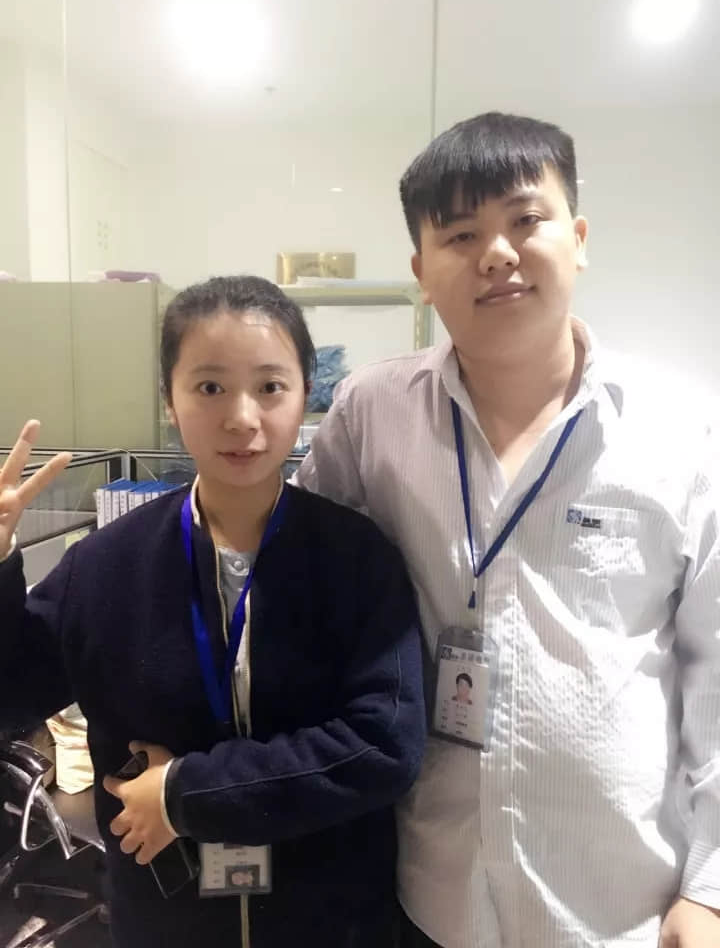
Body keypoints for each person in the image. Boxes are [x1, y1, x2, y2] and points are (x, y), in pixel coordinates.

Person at [294, 112, 720, 947]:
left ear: (578, 238)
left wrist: (711, 888)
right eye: (460, 234)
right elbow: (296, 587)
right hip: (428, 895)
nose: (496, 253)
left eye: (526, 219)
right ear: (421, 272)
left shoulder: (684, 432)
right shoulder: (370, 415)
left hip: (621, 912)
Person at [0, 275, 425, 947]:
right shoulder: (107, 564)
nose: (242, 418)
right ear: (169, 400)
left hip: (333, 924)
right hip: (167, 924)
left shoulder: (357, 558)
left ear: (306, 396)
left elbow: (384, 746)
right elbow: (11, 698)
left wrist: (186, 795)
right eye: (209, 387)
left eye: (270, 386)